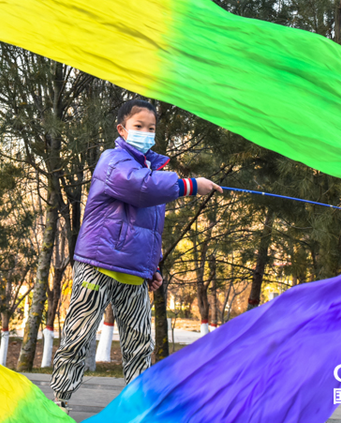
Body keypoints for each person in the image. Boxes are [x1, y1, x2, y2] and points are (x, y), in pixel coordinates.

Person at [50, 99, 222, 413]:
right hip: (98, 265)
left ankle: (137, 408)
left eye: (151, 128)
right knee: (79, 335)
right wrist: (191, 185)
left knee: (140, 344)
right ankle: (59, 403)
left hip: (134, 272)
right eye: (138, 126)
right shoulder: (113, 160)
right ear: (122, 129)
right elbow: (138, 188)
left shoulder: (151, 170)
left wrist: (151, 267)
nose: (145, 132)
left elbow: (148, 228)